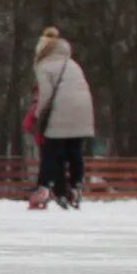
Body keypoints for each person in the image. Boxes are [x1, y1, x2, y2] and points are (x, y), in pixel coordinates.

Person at [28, 26, 94, 209]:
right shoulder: (73, 64)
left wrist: (37, 114)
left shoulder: (44, 66)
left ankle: (45, 188)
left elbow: (46, 94)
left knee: (51, 151)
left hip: (61, 111)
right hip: (83, 113)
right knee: (74, 151)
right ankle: (75, 186)